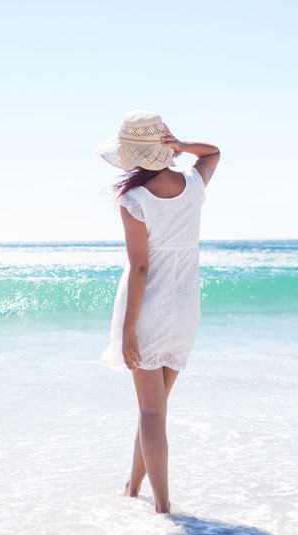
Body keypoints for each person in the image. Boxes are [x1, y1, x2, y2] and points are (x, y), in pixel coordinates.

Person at [96, 110, 220, 513]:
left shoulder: (133, 199)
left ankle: (163, 507)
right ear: (162, 148)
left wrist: (129, 330)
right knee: (154, 409)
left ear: (134, 154)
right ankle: (132, 487)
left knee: (151, 411)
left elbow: (141, 267)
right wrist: (183, 146)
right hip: (185, 310)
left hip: (148, 310)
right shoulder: (191, 185)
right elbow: (213, 153)